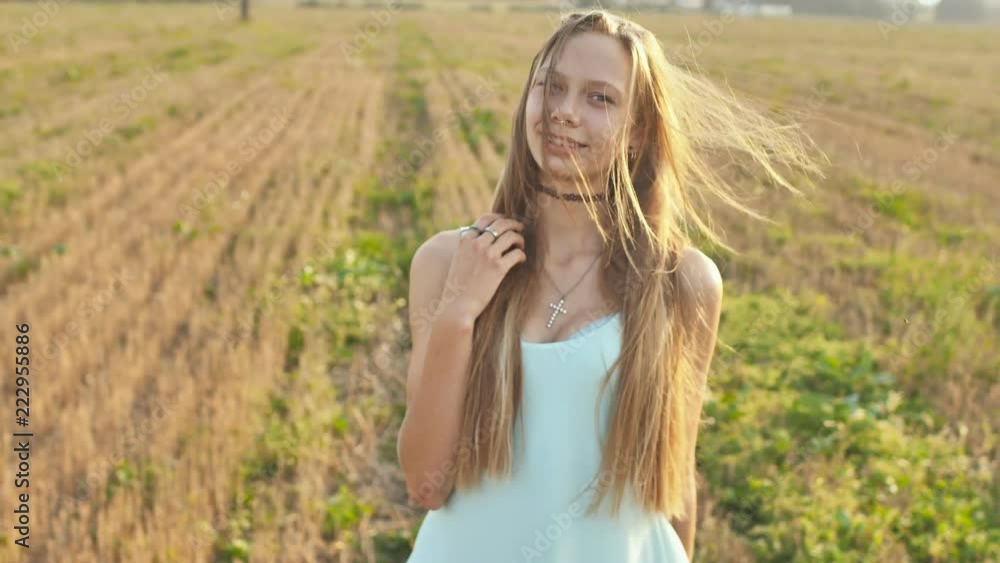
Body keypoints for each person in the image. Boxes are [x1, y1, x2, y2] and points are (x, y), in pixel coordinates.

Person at [397, 9, 826, 563]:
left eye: (599, 98)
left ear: (638, 132)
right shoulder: (445, 262)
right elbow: (425, 482)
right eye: (551, 87)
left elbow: (673, 483)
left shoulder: (682, 284)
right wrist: (459, 313)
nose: (564, 112)